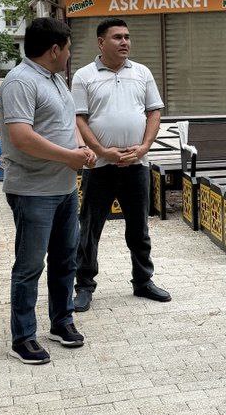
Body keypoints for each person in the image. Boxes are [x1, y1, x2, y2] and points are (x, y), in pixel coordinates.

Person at [0, 17, 96, 366]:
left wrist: (81, 147)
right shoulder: (20, 82)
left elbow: (67, 122)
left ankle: (61, 321)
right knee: (29, 266)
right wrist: (70, 157)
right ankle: (23, 337)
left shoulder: (55, 80)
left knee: (65, 259)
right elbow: (22, 137)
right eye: (68, 48)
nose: (69, 55)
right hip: (33, 191)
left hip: (63, 187)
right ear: (55, 49)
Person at [72, 18, 171, 310]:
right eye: (117, 37)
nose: (124, 42)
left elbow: (154, 112)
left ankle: (143, 281)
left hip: (136, 165)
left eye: (127, 36)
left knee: (139, 228)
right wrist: (102, 150)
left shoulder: (142, 73)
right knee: (90, 229)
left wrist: (144, 148)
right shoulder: (84, 76)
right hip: (100, 167)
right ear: (101, 42)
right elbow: (79, 118)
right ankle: (84, 285)